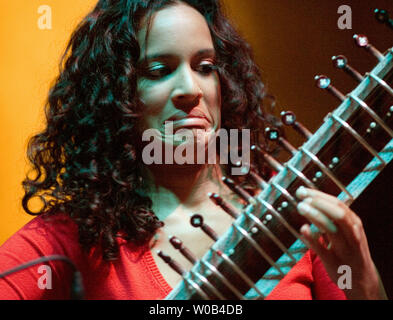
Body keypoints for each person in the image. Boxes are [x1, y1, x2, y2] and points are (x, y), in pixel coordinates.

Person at [0, 0, 387, 300]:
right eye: (158, 71)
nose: (191, 89)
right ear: (113, 97)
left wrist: (364, 278)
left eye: (205, 66)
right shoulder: (72, 237)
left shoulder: (292, 212)